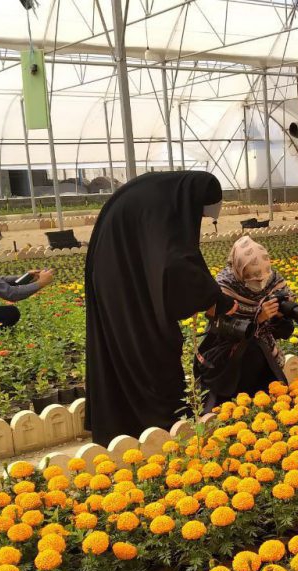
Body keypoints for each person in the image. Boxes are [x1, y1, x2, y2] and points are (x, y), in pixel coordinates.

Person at [84, 171, 236, 446]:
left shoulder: (157, 195)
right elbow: (174, 264)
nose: (197, 222)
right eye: (199, 215)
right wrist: (217, 301)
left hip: (119, 277)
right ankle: (160, 422)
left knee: (128, 346)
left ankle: (128, 424)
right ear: (192, 202)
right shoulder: (161, 204)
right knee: (150, 348)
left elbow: (169, 258)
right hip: (122, 281)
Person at [195, 236, 297, 412]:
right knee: (234, 397)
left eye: (264, 278)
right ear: (240, 271)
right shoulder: (224, 285)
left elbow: (283, 325)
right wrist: (259, 317)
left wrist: (279, 314)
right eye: (254, 279)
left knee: (267, 391)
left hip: (262, 348)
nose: (261, 283)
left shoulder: (272, 280)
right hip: (228, 350)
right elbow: (223, 325)